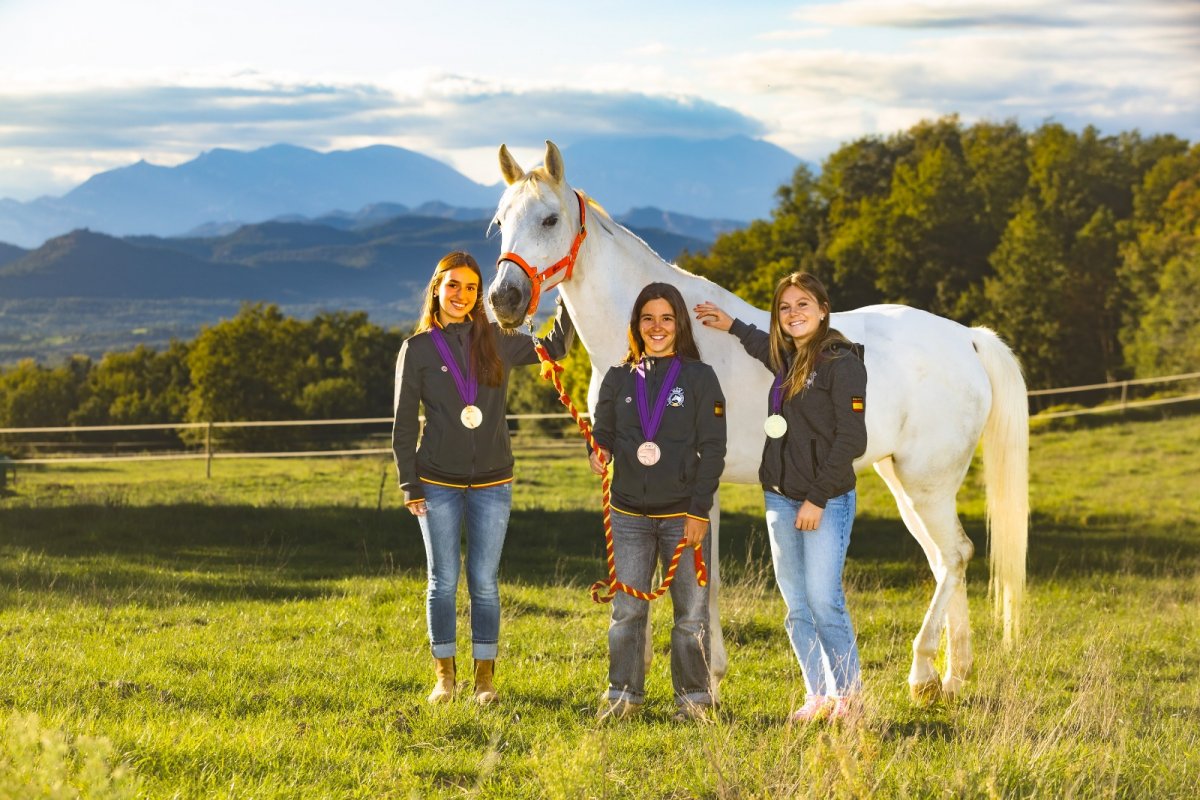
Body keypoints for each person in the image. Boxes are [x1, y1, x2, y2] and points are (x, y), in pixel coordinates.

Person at [392, 250, 574, 705]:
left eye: (472, 287)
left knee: (486, 582)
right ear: (436, 288)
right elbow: (401, 424)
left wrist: (568, 290)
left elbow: (555, 347)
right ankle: (444, 678)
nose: (462, 294)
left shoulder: (498, 339)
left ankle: (485, 680)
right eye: (453, 285)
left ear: (480, 295)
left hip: (494, 482)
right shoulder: (416, 349)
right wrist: (408, 482)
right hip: (436, 483)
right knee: (443, 581)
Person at [694, 272, 867, 722]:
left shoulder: (841, 361)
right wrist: (730, 323)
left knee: (824, 599)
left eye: (803, 305)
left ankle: (849, 697)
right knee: (796, 605)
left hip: (823, 501)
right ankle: (818, 695)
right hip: (779, 497)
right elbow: (757, 343)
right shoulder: (787, 359)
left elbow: (851, 440)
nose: (793, 314)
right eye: (785, 308)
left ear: (823, 310)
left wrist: (816, 499)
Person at [589, 282, 727, 722]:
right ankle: (623, 696)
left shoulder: (699, 378)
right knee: (627, 610)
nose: (657, 327)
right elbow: (603, 430)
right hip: (628, 516)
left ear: (679, 324)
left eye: (666, 318)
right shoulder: (618, 377)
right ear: (637, 325)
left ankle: (694, 700)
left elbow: (714, 449)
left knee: (690, 614)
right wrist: (599, 450)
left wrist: (698, 511)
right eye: (648, 318)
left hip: (681, 515)